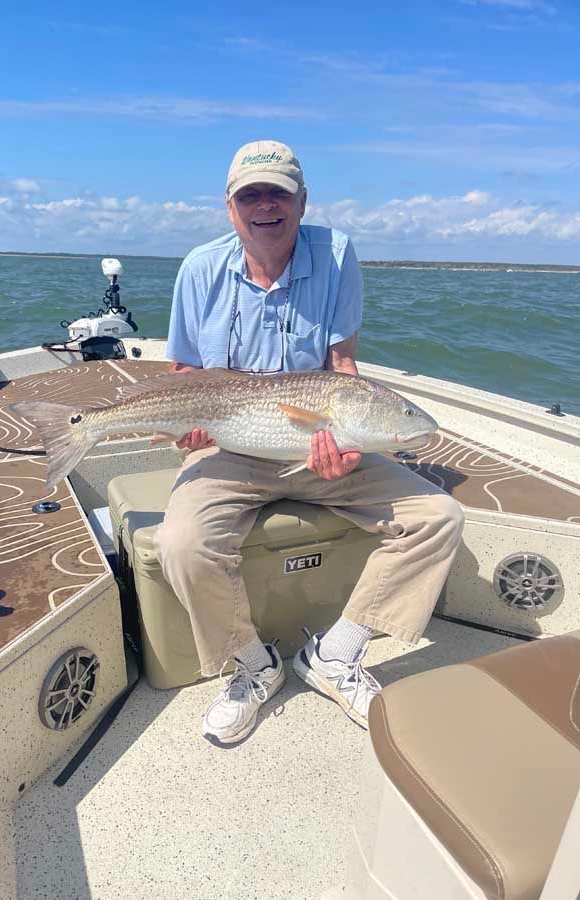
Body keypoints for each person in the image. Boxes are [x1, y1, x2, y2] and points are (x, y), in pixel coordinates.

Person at [153, 140, 465, 747]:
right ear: (229, 206)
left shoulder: (339, 254)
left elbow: (341, 363)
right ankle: (251, 664)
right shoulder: (199, 269)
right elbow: (185, 377)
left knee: (439, 515)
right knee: (181, 543)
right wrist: (191, 427)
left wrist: (348, 446)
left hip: (321, 444)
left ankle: (334, 653)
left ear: (302, 201)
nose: (265, 205)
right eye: (251, 195)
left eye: (279, 193)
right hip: (229, 446)